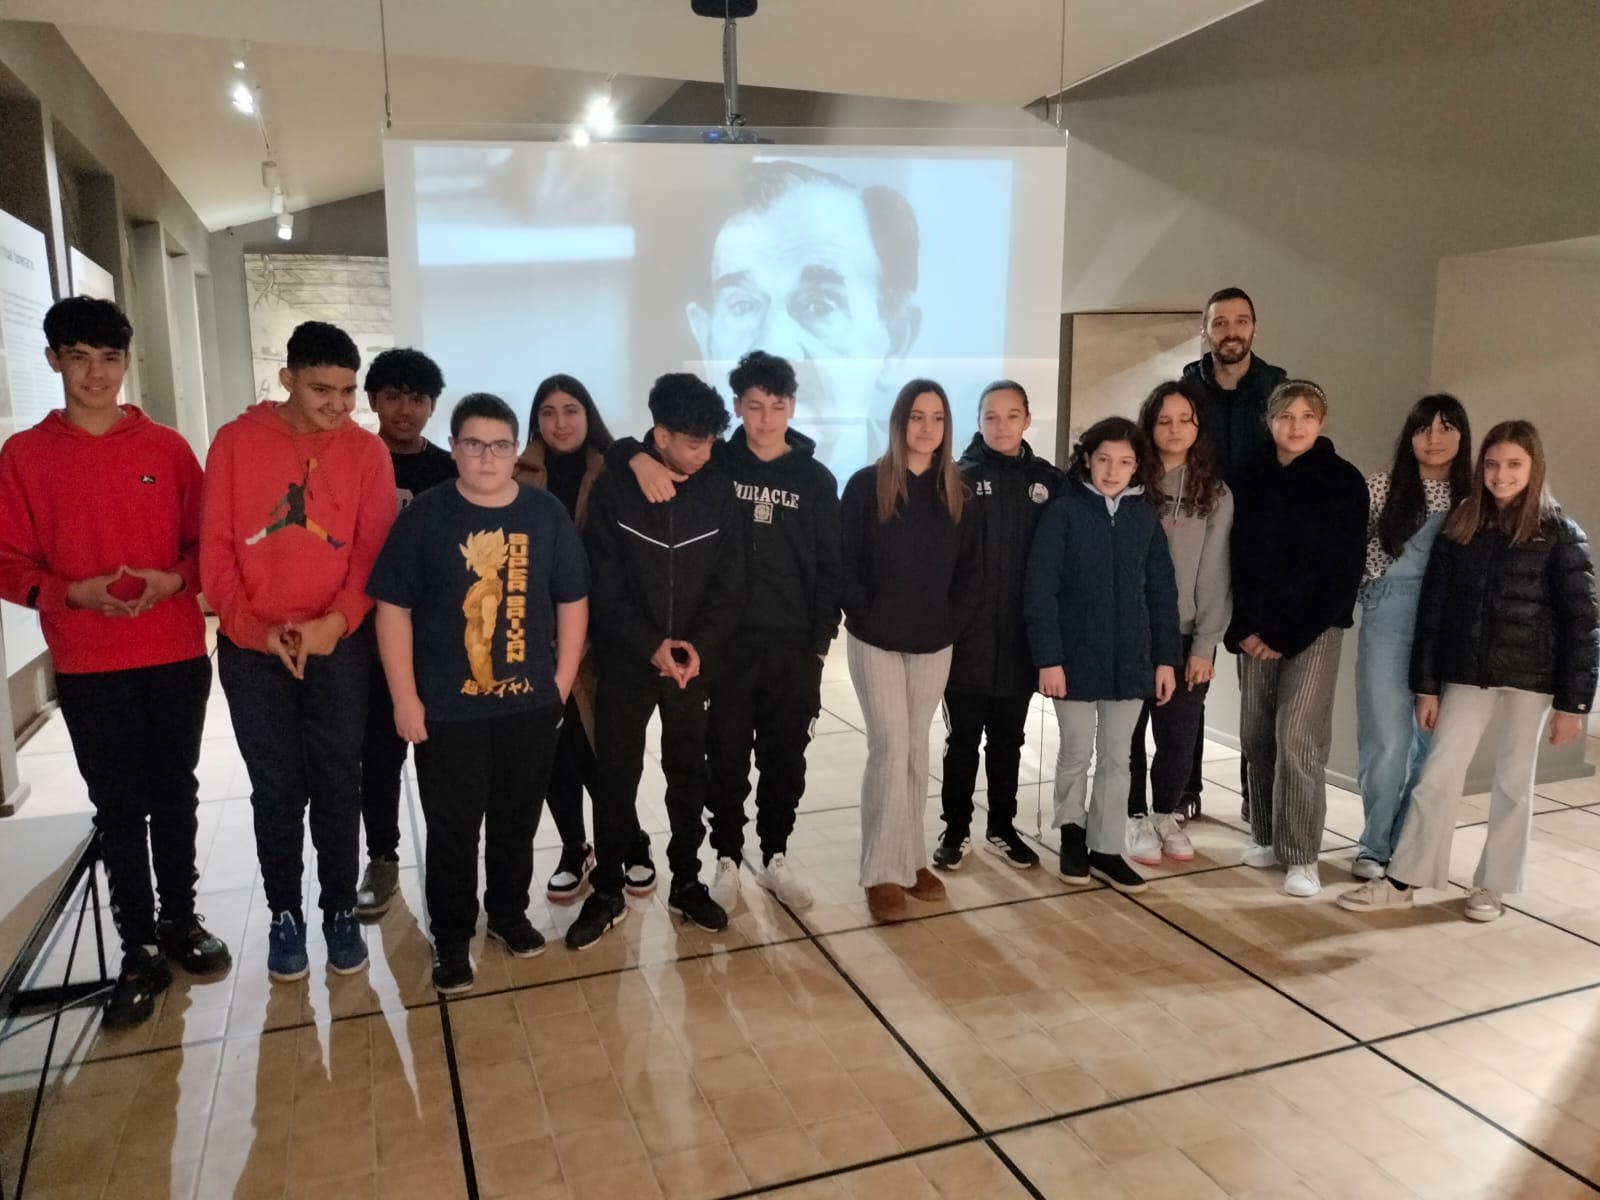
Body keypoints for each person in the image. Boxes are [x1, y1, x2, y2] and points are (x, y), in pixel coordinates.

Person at [0, 297, 227, 1029]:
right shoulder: (24, 458)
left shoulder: (166, 449)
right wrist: (73, 593)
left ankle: (181, 921)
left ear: (126, 363)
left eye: (109, 358)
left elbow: (205, 547)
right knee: (121, 806)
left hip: (173, 652)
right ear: (53, 361)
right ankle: (136, 947)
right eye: (79, 357)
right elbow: (9, 563)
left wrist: (175, 581)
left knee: (177, 793)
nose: (96, 374)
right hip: (90, 660)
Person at [369, 393, 588, 993]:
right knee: (454, 829)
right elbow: (393, 611)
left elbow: (572, 600)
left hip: (529, 704)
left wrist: (561, 683)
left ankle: (509, 914)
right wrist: (404, 699)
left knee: (516, 820)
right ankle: (450, 934)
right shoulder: (426, 518)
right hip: (447, 710)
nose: (486, 457)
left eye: (498, 445)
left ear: (516, 451)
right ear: (454, 448)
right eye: (472, 444)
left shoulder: (545, 514)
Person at [1339, 422, 1597, 922]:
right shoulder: (1463, 527)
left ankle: (1492, 887)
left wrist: (1575, 704)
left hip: (1534, 681)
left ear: (1534, 468)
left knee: (1513, 784)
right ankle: (1404, 877)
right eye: (1493, 464)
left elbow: (1583, 625)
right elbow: (1434, 612)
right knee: (1437, 775)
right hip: (1466, 674)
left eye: (1514, 464)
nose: (1501, 475)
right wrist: (1427, 688)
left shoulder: (1562, 535)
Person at [612, 351, 841, 913]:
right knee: (726, 757)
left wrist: (818, 644)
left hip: (793, 646)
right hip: (725, 645)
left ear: (792, 408)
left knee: (786, 758)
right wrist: (635, 455)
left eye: (777, 406)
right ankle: (727, 858)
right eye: (754, 406)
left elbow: (832, 566)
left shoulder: (814, 478)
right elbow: (638, 448)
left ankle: (777, 854)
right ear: (737, 407)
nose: (765, 418)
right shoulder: (717, 464)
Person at [201, 320, 396, 980]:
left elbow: (371, 556)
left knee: (339, 783)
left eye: (349, 391)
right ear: (286, 380)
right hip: (253, 650)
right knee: (277, 791)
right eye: (322, 389)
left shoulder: (367, 453)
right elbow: (218, 553)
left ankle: (339, 909)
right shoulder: (234, 443)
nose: (340, 405)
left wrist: (333, 625)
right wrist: (254, 630)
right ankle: (285, 915)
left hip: (336, 646)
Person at [564, 374, 745, 950]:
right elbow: (603, 584)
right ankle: (609, 888)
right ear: (661, 436)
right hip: (627, 660)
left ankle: (687, 881)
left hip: (693, 663)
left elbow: (729, 581)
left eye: (712, 442)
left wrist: (699, 647)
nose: (706, 453)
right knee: (616, 775)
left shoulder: (718, 487)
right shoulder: (616, 487)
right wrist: (650, 645)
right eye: (694, 443)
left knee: (688, 771)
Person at [841, 379, 981, 923]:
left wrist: (951, 621)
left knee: (917, 751)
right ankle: (880, 872)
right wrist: (864, 612)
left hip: (932, 642)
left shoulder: (957, 492)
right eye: (917, 417)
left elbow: (972, 573)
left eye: (938, 418)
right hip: (876, 639)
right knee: (890, 745)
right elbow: (845, 561)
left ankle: (912, 859)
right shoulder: (865, 486)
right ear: (899, 423)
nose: (927, 428)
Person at [1025, 417, 1181, 895]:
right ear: (1087, 460)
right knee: (1075, 753)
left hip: (1131, 662)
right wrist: (1048, 658)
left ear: (1138, 467)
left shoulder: (1145, 516)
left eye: (1125, 462)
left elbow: (1161, 592)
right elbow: (1040, 589)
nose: (1113, 471)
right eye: (1104, 460)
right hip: (1073, 661)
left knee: (1118, 759)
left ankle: (1107, 847)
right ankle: (1072, 836)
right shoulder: (1064, 511)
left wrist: (1165, 659)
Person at [686, 160, 921, 476]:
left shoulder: (921, 489)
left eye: (820, 305)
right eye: (742, 305)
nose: (775, 349)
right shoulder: (690, 486)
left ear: (895, 341)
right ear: (706, 340)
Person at [1224, 381, 1366, 898]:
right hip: (1254, 632)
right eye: (1287, 414)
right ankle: (1265, 834)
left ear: (1321, 422)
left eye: (1307, 415)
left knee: (1299, 740)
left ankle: (1302, 855)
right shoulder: (1247, 476)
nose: (1297, 424)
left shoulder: (1343, 481)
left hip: (1314, 632)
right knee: (1256, 736)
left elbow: (1342, 571)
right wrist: (1242, 628)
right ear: (1270, 419)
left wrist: (1286, 634)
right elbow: (1232, 558)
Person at [933, 380, 1061, 873]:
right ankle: (955, 827)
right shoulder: (957, 479)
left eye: (1012, 415)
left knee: (1008, 742)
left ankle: (1002, 827)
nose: (1001, 425)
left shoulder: (1050, 483)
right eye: (991, 416)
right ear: (979, 422)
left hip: (1021, 645)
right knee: (962, 741)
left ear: (1028, 420)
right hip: (966, 643)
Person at [1350, 395, 1473, 880]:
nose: (1435, 438)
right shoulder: (1380, 487)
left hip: (1451, 624)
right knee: (1386, 739)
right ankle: (1373, 845)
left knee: (1432, 742)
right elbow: (1353, 557)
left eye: (1446, 428)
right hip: (1389, 618)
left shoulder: (1474, 498)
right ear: (1410, 436)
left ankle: (1408, 844)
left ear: (1463, 437)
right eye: (1424, 429)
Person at [513, 373, 622, 903]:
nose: (560, 422)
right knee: (555, 749)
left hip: (605, 633)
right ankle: (575, 845)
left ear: (588, 413)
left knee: (601, 747)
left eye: (571, 410)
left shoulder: (617, 469)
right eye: (548, 411)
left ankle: (624, 839)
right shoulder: (516, 475)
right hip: (538, 639)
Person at [1181, 286, 1289, 822]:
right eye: (1220, 323)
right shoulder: (1185, 390)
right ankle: (1184, 788)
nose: (1231, 331)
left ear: (1254, 329)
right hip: (1196, 548)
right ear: (1206, 331)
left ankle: (1256, 793)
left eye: (1240, 321)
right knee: (1190, 673)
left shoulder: (1277, 390)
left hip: (1256, 555)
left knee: (1256, 685)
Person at [357, 348, 457, 918]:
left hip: (439, 641)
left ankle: (449, 858)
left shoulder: (448, 468)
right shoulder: (353, 461)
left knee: (444, 757)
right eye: (392, 396)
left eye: (417, 398)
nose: (404, 409)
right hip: (367, 639)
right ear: (372, 400)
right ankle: (384, 857)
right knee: (379, 753)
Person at [1124, 381, 1233, 867]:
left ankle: (1166, 813)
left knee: (1177, 736)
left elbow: (1215, 572)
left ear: (1198, 427)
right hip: (1129, 631)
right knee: (1127, 731)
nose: (1174, 429)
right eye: (1164, 420)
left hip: (1188, 633)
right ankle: (1132, 815)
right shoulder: (1127, 479)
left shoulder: (1215, 492)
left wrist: (1205, 645)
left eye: (1184, 420)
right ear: (1149, 425)